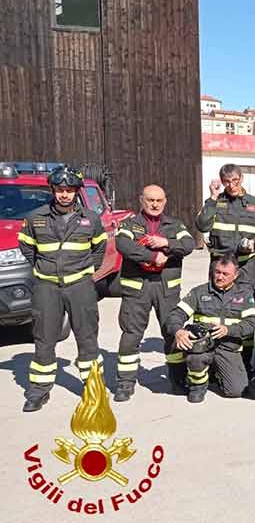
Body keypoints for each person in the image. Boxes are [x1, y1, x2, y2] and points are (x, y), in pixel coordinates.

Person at [19, 166, 107, 412]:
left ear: (77, 192)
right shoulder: (35, 217)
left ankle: (92, 389)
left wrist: (87, 271)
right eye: (60, 190)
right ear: (53, 190)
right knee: (44, 338)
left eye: (69, 190)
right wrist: (42, 267)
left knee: (87, 338)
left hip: (80, 286)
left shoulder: (90, 218)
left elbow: (99, 247)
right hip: (47, 287)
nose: (64, 195)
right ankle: (38, 390)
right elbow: (27, 246)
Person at [113, 184, 195, 402]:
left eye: (159, 200)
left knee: (171, 333)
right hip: (137, 288)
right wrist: (151, 256)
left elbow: (189, 244)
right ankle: (125, 384)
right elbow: (122, 243)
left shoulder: (174, 225)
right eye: (150, 200)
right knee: (131, 335)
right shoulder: (130, 224)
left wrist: (166, 242)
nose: (155, 204)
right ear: (142, 200)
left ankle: (178, 379)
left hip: (166, 289)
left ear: (165, 201)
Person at [164, 256, 255, 403]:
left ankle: (215, 373)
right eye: (217, 272)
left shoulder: (244, 295)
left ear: (236, 275)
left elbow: (252, 323)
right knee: (196, 357)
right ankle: (197, 385)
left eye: (225, 274)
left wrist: (229, 330)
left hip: (227, 347)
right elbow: (176, 315)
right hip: (202, 347)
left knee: (236, 391)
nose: (219, 277)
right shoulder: (199, 292)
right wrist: (178, 331)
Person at [195, 163, 255, 291]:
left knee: (244, 303)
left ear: (242, 178)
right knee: (217, 303)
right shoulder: (215, 202)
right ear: (222, 182)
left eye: (235, 180)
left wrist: (254, 242)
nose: (231, 185)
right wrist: (213, 197)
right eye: (227, 182)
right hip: (220, 263)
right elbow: (202, 226)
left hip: (245, 265)